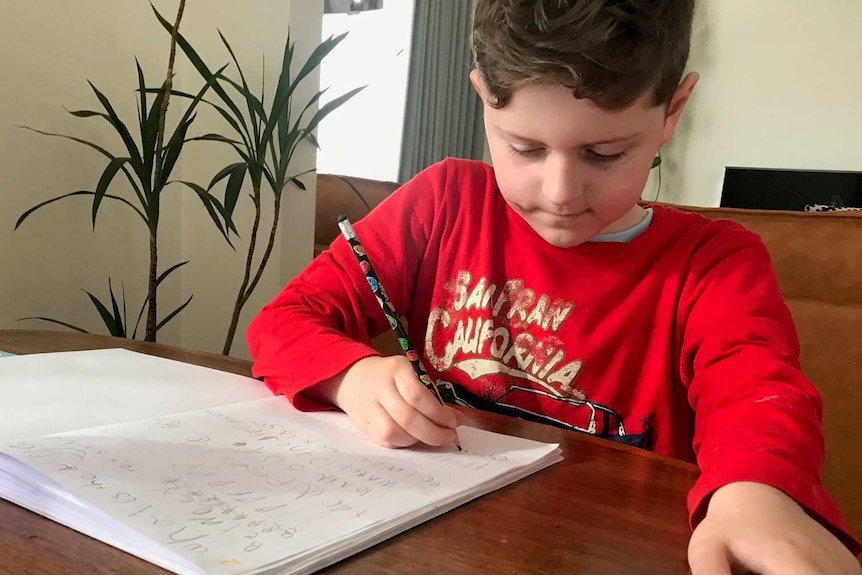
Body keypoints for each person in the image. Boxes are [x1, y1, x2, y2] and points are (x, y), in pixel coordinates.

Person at [247, 1, 861, 572]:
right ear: (484, 99)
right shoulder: (443, 204)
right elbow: (284, 321)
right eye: (526, 147)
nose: (560, 192)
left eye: (604, 153)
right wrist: (348, 375)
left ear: (674, 110)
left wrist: (753, 491)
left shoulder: (715, 264)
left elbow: (757, 393)